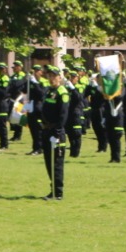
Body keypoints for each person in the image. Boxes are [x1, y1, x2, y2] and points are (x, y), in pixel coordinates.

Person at [39, 64, 69, 200]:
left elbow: (63, 115)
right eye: (49, 76)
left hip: (56, 133)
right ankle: (53, 190)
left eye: (53, 76)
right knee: (48, 162)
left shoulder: (62, 92)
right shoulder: (49, 91)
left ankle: (58, 193)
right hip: (47, 130)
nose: (51, 78)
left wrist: (57, 133)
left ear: (59, 77)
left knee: (56, 164)